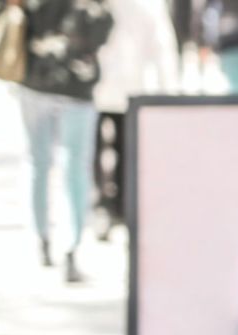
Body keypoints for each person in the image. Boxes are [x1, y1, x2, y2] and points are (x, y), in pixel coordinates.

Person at [0, 0, 113, 283]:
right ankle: (69, 245)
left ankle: (45, 239)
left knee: (41, 161)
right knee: (73, 166)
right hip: (73, 81)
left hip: (38, 79)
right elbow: (105, 25)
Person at [92, 0, 179, 239]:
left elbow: (162, 44)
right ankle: (110, 205)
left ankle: (110, 205)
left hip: (113, 86)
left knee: (114, 148)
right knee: (113, 148)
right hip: (110, 85)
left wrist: (166, 88)